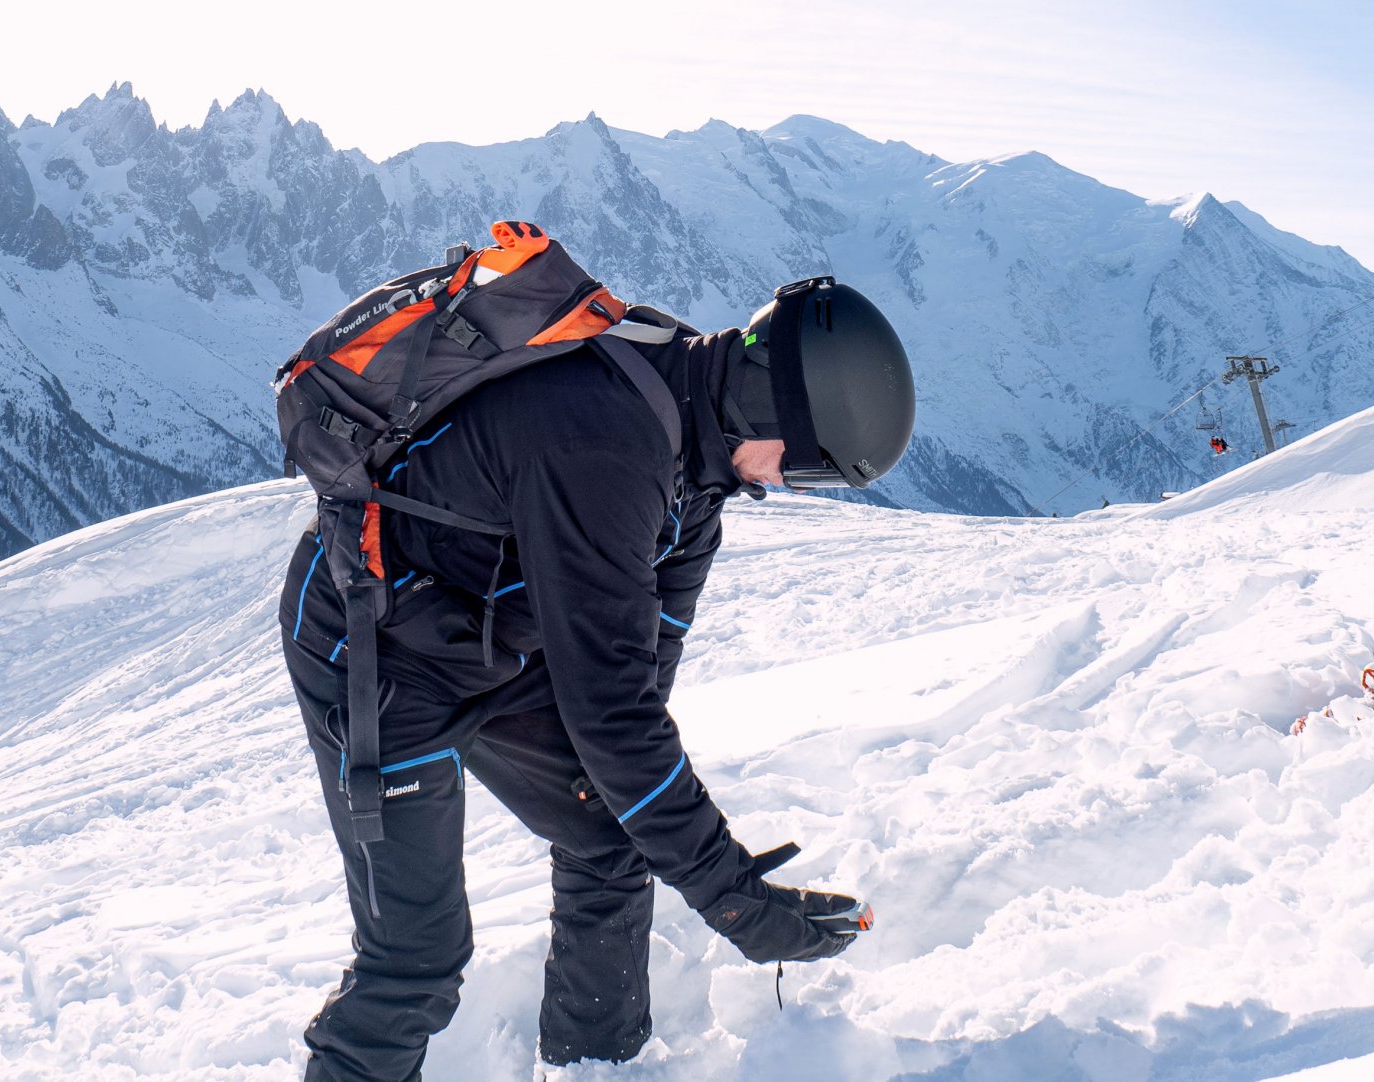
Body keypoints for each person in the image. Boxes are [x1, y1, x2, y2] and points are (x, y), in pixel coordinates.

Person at [278, 279, 913, 1081]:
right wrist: (734, 899)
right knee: (417, 955)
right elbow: (614, 720)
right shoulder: (605, 448)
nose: (791, 486)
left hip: (489, 636)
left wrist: (710, 864)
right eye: (808, 468)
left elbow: (638, 691)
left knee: (614, 837)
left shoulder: (697, 470)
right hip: (370, 637)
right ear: (771, 406)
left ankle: (595, 1070)